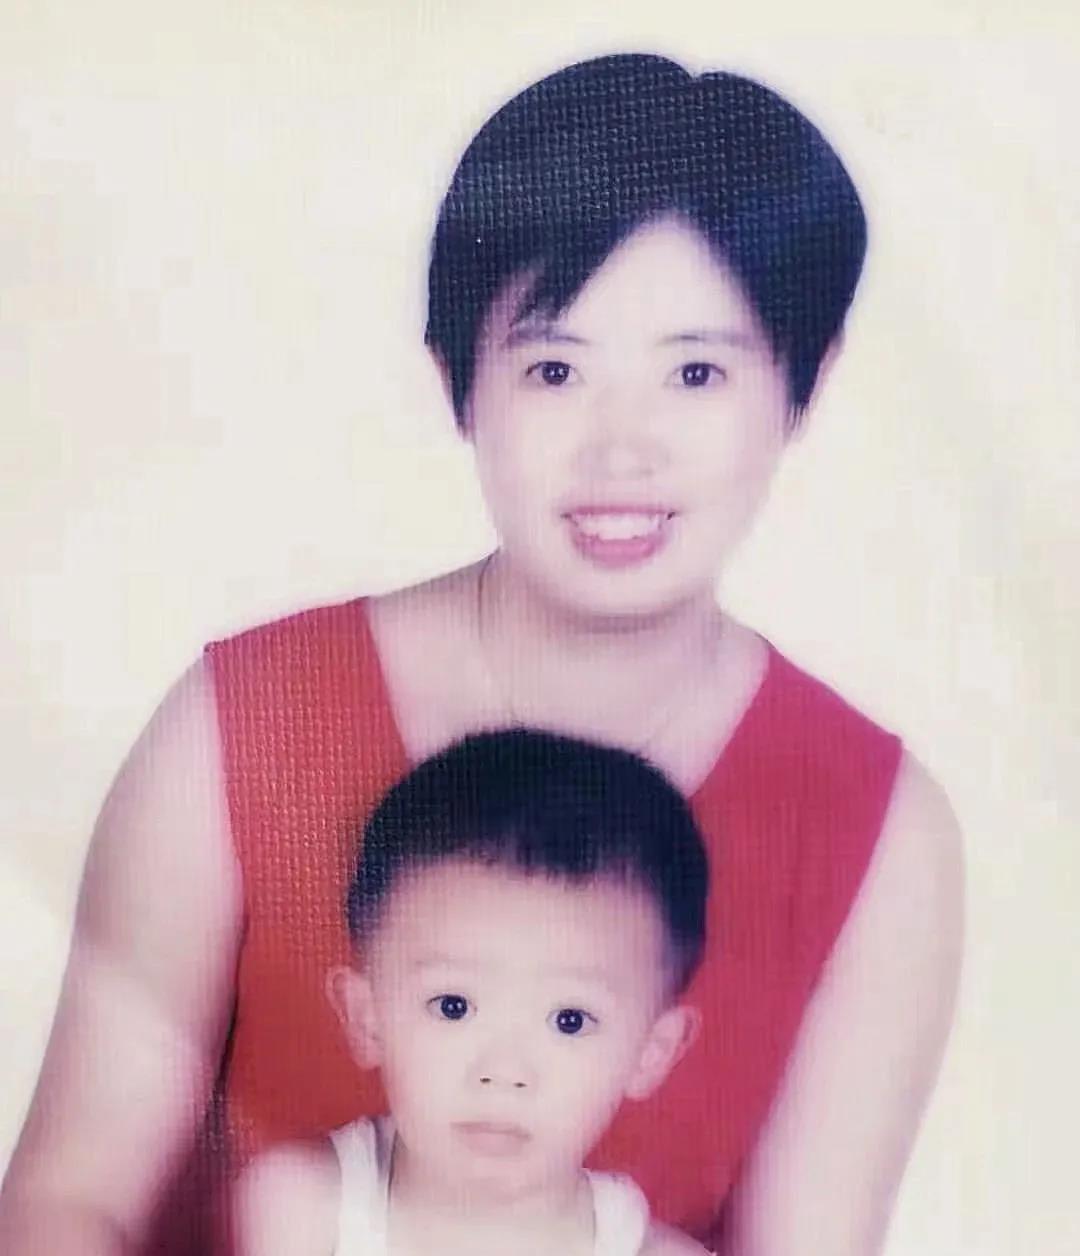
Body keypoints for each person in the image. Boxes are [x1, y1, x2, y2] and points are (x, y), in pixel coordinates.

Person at [0, 53, 963, 1256]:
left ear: (803, 386)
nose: (622, 448)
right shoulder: (250, 720)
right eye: (555, 368)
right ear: (458, 377)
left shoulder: (877, 826)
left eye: (696, 371)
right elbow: (67, 1201)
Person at [237, 728, 712, 1256]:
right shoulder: (306, 1207)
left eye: (570, 1020)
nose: (503, 1072)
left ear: (652, 1051)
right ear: (366, 1017)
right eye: (453, 1007)